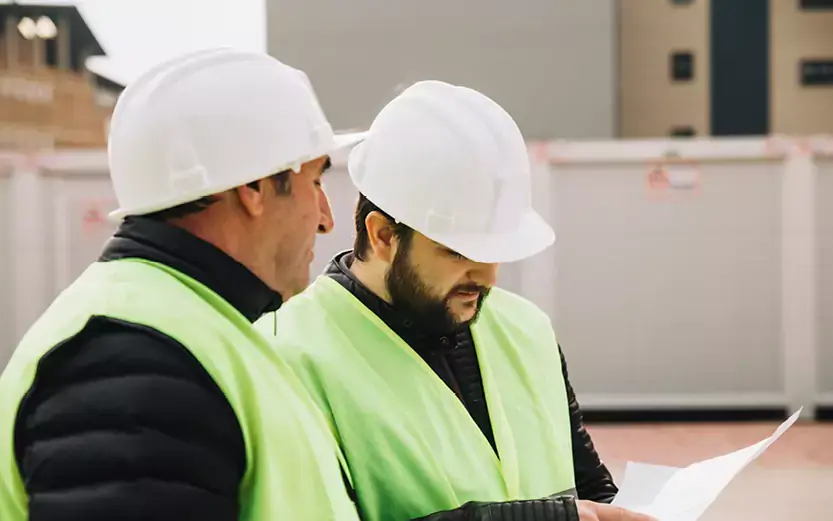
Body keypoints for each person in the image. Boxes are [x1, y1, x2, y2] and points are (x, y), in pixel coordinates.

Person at [257, 81, 653, 521]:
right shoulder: (286, 354)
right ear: (384, 235)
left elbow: (590, 490)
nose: (487, 275)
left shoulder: (525, 329)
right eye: (459, 251)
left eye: (497, 250)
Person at [0, 48, 367, 521]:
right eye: (315, 181)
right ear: (253, 187)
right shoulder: (131, 363)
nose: (325, 217)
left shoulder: (185, 332)